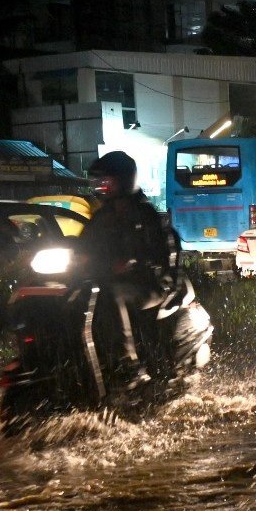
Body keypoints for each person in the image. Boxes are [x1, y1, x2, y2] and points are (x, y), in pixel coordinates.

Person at [78, 151, 179, 391]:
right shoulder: (101, 217)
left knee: (113, 295)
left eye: (107, 181)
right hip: (104, 282)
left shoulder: (146, 215)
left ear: (123, 180)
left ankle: (127, 367)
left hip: (148, 285)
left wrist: (137, 263)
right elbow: (82, 245)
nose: (101, 186)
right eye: (98, 181)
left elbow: (162, 253)